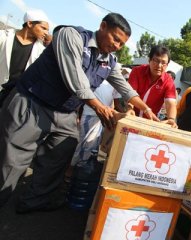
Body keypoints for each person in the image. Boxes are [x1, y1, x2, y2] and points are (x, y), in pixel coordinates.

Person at [0, 13, 158, 213]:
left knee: (59, 156)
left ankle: (33, 201)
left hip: (64, 113)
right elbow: (75, 79)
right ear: (102, 26)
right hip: (33, 102)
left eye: (122, 44)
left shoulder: (109, 60)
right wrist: (99, 107)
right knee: (12, 162)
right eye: (115, 39)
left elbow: (124, 87)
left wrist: (146, 109)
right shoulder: (71, 36)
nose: (117, 46)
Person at [0, 9, 49, 107]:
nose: (46, 33)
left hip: (15, 99)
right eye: (43, 28)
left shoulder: (41, 51)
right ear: (30, 23)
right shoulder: (3, 37)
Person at [128, 45, 177, 127]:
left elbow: (170, 103)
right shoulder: (137, 71)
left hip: (150, 122)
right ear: (149, 60)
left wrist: (171, 119)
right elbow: (130, 94)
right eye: (156, 61)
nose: (159, 65)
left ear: (167, 65)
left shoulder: (168, 81)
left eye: (163, 63)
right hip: (131, 116)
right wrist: (129, 108)